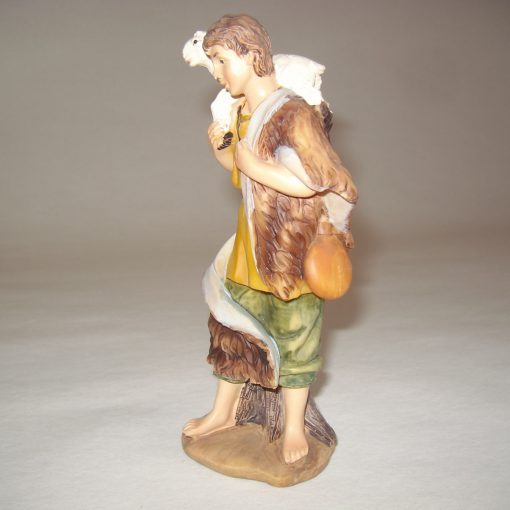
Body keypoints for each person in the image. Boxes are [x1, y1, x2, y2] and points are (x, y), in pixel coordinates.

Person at [182, 14, 357, 465]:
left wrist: (253, 165)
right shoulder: (241, 111)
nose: (217, 72)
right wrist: (223, 151)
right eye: (213, 61)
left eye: (222, 60)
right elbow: (242, 174)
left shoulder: (295, 114)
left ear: (251, 54)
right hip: (250, 247)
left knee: (296, 337)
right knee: (232, 330)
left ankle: (294, 426)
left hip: (289, 252)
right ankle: (223, 411)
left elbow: (320, 181)